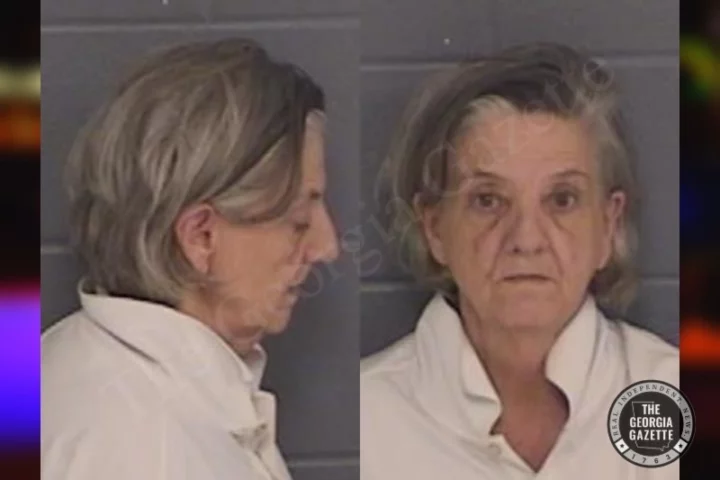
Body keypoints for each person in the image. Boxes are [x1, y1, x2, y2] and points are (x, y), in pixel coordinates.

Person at [361, 43, 678, 479]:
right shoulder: (369, 418)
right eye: (488, 200)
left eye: (562, 199)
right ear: (434, 228)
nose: (526, 240)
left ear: (608, 225)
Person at [42, 38, 339, 480]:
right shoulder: (148, 451)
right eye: (298, 221)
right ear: (201, 237)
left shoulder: (76, 361)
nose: (327, 247)